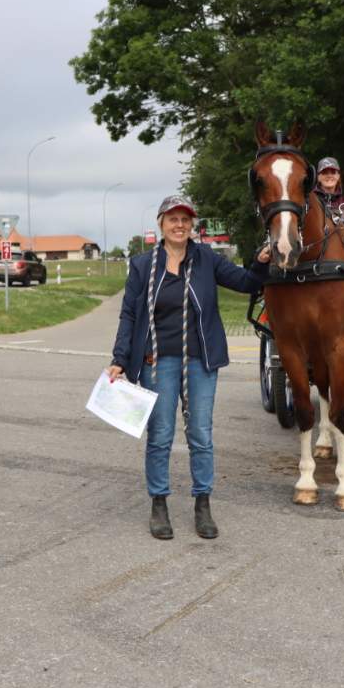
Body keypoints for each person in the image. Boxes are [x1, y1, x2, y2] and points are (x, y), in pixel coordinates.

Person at [108, 194, 271, 540]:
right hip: (156, 362)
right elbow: (129, 315)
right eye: (173, 219)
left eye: (185, 220)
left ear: (192, 225)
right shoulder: (142, 265)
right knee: (161, 435)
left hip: (200, 361)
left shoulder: (206, 259)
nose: (179, 225)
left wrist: (259, 262)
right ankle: (159, 503)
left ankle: (202, 503)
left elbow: (246, 283)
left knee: (200, 434)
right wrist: (120, 360)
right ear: (161, 224)